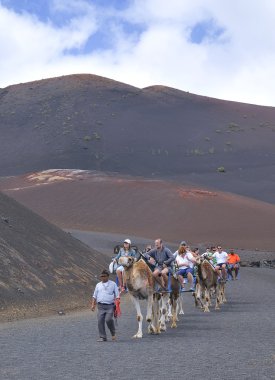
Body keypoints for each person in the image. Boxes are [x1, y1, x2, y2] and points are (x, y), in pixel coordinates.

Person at [91, 269, 120, 342]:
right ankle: (102, 337)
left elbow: (117, 295)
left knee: (108, 319)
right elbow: (94, 296)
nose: (102, 278)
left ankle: (113, 333)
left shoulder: (113, 284)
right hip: (100, 306)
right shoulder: (98, 285)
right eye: (101, 276)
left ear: (108, 276)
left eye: (104, 276)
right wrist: (93, 305)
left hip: (110, 306)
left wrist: (117, 304)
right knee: (100, 321)